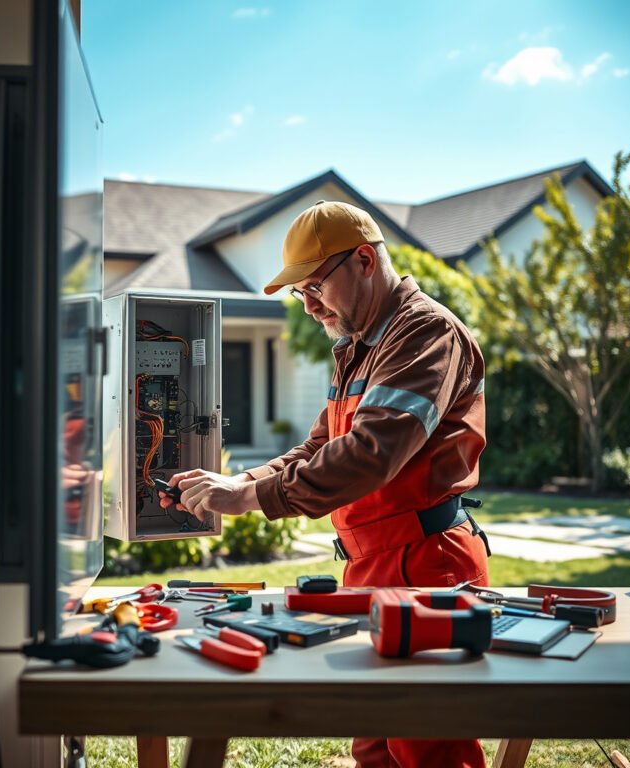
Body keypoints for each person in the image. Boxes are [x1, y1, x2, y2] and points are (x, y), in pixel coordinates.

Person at [160, 200, 490, 768]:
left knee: (427, 745)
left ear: (364, 260)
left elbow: (372, 454)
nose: (309, 307)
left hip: (429, 564)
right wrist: (241, 479)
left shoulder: (425, 332)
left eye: (314, 287)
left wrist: (253, 497)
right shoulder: (360, 344)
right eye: (300, 294)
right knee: (375, 745)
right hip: (373, 564)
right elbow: (319, 446)